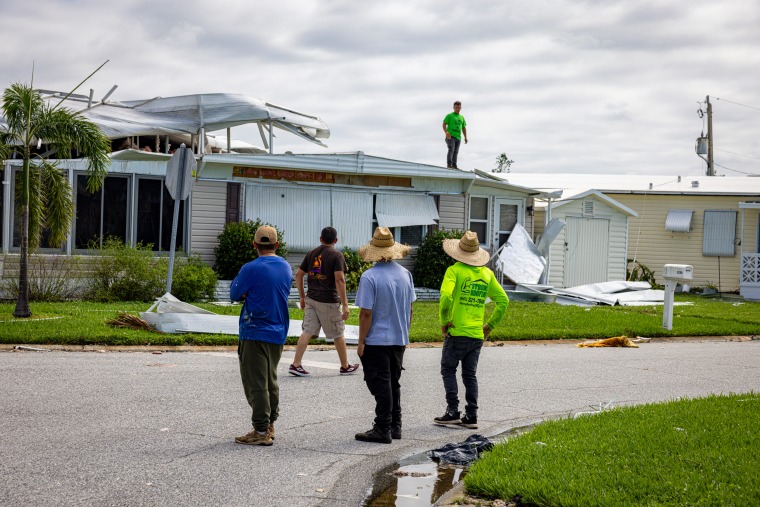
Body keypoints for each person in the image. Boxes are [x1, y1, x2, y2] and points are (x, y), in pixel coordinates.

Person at [434, 230, 509, 430]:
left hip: (457, 332)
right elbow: (503, 301)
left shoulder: (454, 271)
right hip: (477, 333)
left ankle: (452, 411)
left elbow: (446, 298)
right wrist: (489, 326)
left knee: (448, 369)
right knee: (470, 375)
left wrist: (444, 321)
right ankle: (471, 415)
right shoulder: (487, 274)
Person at [230, 225, 292, 446]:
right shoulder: (285, 267)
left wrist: (248, 291)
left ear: (255, 245)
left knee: (256, 382)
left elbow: (234, 293)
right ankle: (270, 423)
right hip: (278, 331)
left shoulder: (250, 268)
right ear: (276, 245)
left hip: (254, 330)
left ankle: (260, 430)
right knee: (270, 379)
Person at [354, 227, 416, 444]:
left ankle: (382, 428)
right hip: (399, 338)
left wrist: (361, 341)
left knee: (380, 384)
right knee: (393, 383)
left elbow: (366, 313)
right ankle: (395, 425)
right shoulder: (405, 274)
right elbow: (409, 309)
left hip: (377, 339)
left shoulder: (369, 276)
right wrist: (405, 334)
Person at [289, 227, 360, 376]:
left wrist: (302, 297)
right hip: (328, 300)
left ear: (321, 239)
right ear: (335, 240)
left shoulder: (311, 254)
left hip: (311, 299)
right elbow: (340, 279)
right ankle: (345, 366)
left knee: (307, 331)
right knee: (338, 332)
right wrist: (345, 304)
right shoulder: (337, 255)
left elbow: (299, 275)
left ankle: (296, 364)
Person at [442, 101, 468, 169]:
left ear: (460, 108)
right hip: (450, 136)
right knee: (451, 149)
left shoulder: (461, 117)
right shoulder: (450, 115)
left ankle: (454, 165)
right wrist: (446, 132)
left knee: (456, 151)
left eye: (459, 107)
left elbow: (463, 128)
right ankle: (449, 164)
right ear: (453, 107)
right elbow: (444, 124)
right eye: (456, 107)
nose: (457, 109)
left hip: (458, 137)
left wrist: (465, 137)